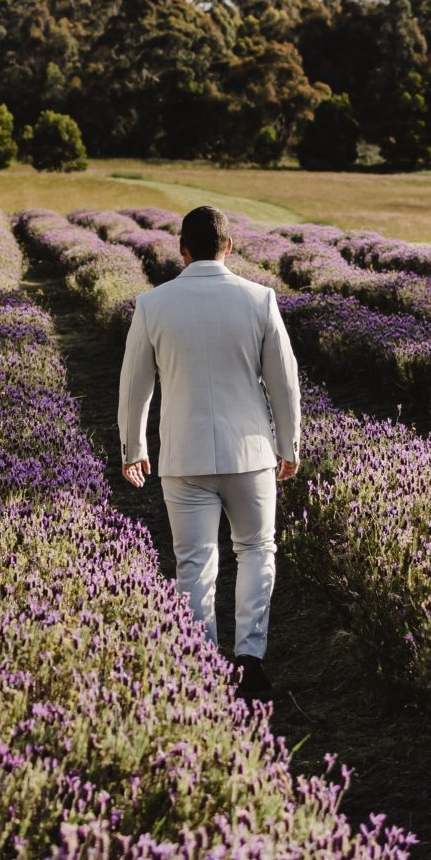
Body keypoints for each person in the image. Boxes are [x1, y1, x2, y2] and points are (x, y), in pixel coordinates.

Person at [116, 205, 302, 703]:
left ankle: (199, 663)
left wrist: (134, 447)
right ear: (230, 246)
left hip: (184, 455)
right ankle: (250, 658)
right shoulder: (259, 299)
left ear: (182, 249)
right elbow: (284, 384)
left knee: (195, 562)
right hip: (251, 453)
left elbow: (135, 385)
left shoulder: (153, 305)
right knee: (257, 551)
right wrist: (289, 445)